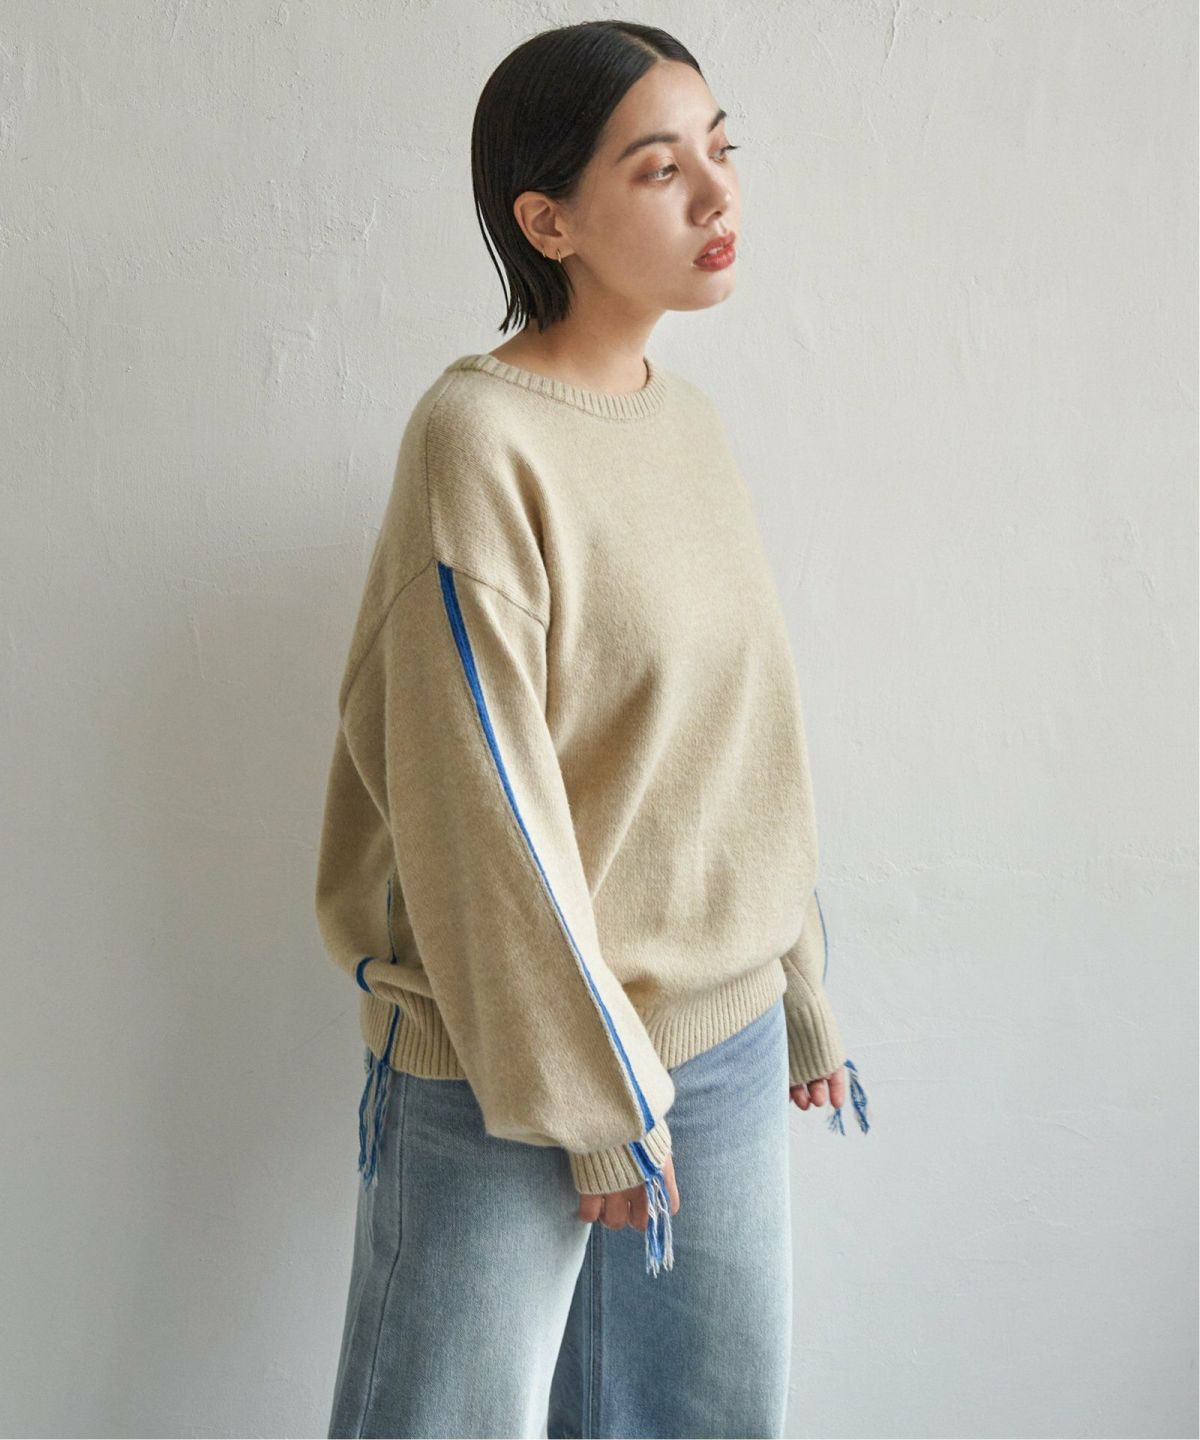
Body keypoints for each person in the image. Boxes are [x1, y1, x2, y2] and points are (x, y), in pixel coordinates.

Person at [314, 19, 870, 1439]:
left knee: (699, 1423)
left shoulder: (683, 422)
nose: (718, 193)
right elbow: (479, 801)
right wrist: (596, 1092)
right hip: (509, 1059)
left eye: (721, 150)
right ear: (547, 220)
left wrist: (795, 978)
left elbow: (739, 737)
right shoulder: (477, 440)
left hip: (718, 1037)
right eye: (659, 167)